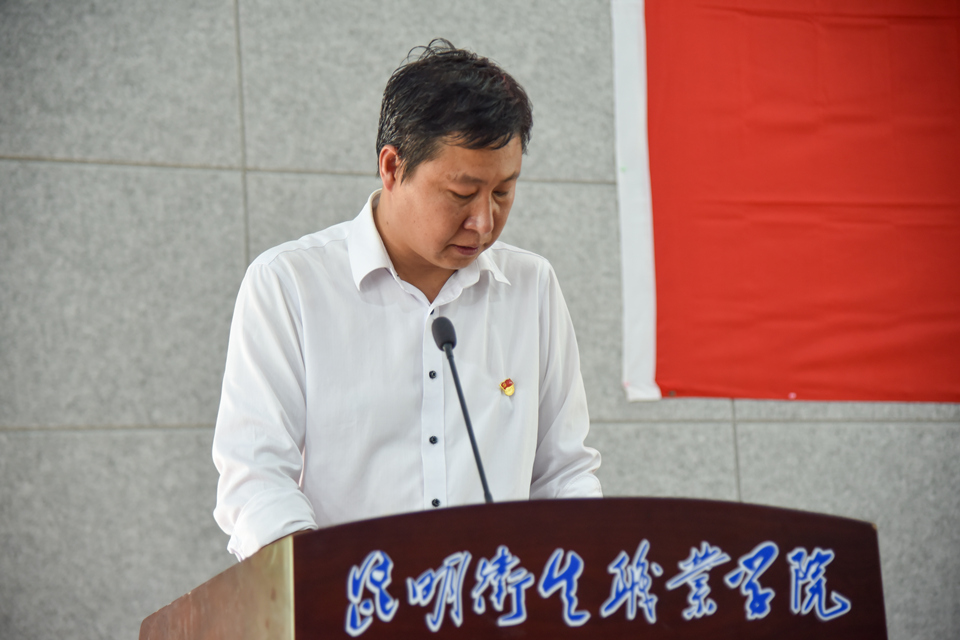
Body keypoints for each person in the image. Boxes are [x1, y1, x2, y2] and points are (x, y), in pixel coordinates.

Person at [212, 39, 601, 561]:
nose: (483, 221)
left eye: (503, 192)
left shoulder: (531, 286)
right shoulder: (289, 284)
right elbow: (255, 479)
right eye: (461, 194)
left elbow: (564, 473)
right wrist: (328, 587)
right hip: (350, 599)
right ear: (393, 167)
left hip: (495, 598)